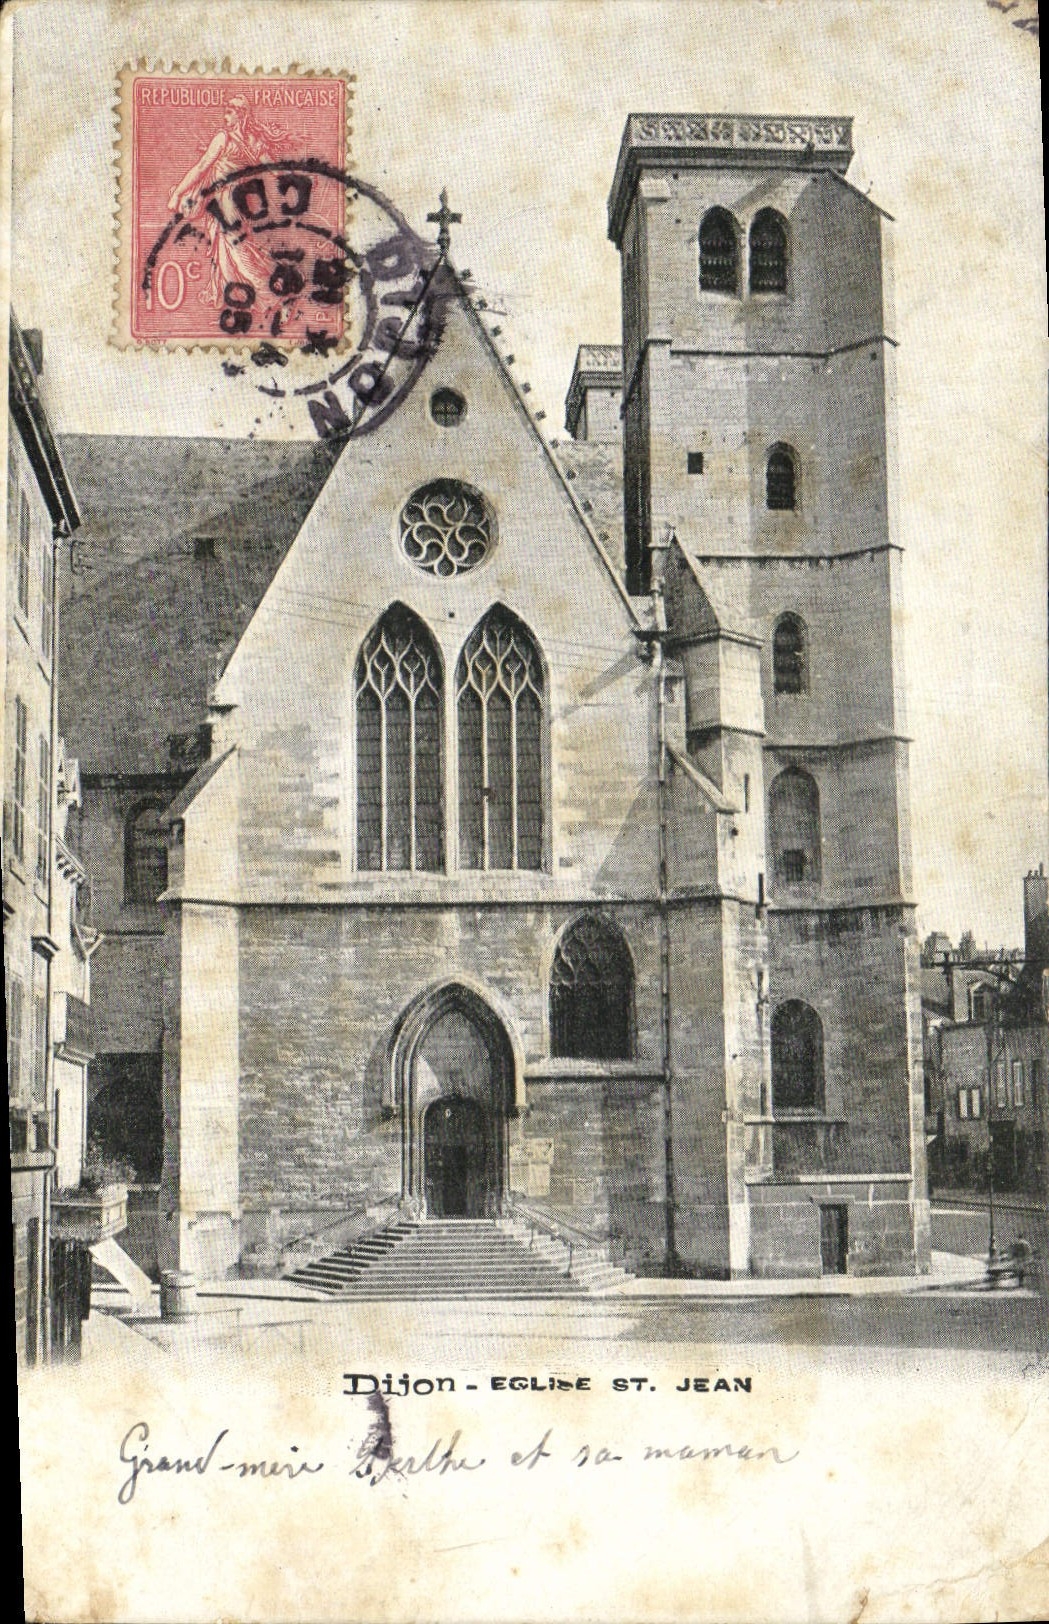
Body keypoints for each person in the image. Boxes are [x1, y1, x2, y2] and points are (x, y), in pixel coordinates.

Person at [165, 97, 288, 311]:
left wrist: (177, 193)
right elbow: (274, 168)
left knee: (239, 252)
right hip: (235, 203)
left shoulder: (224, 138)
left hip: (228, 204)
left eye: (229, 112)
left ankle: (274, 297)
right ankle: (239, 298)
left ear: (240, 114)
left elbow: (201, 167)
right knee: (228, 251)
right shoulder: (253, 141)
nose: (225, 116)